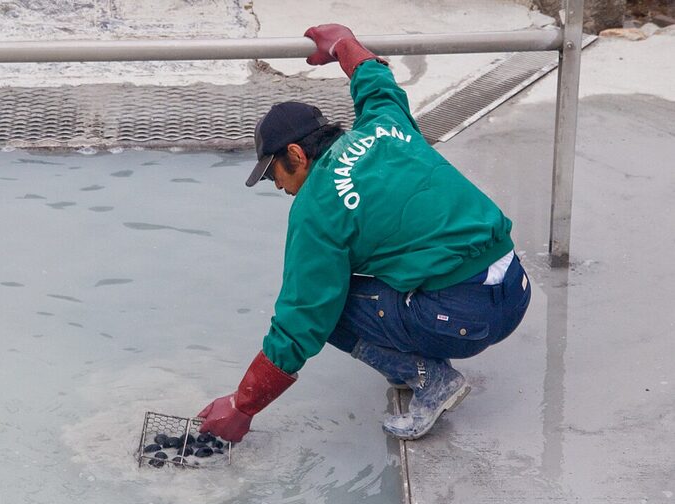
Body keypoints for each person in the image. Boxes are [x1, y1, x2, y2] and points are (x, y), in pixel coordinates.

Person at [197, 24, 531, 442]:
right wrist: (344, 44)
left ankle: (431, 378)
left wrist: (242, 405)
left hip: (465, 317)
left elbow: (301, 321)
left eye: (273, 173)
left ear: (296, 154)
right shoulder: (385, 123)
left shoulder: (317, 207)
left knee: (328, 309)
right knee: (365, 273)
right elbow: (375, 80)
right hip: (515, 292)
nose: (277, 186)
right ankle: (418, 346)